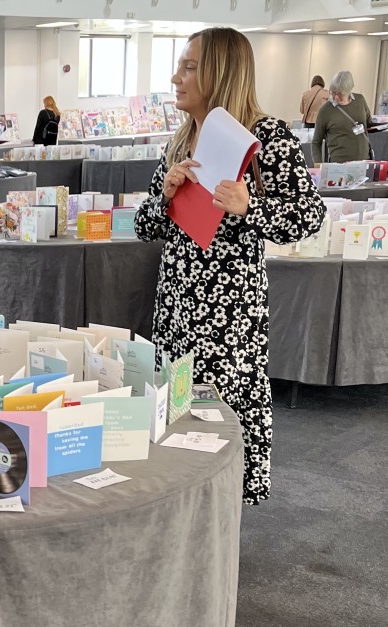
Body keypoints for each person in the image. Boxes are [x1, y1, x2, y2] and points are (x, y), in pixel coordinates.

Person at [134, 28, 325, 505]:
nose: (176, 77)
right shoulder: (182, 139)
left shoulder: (266, 137)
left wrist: (251, 205)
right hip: (176, 307)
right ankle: (181, 514)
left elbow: (309, 216)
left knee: (221, 421)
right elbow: (143, 224)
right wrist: (166, 197)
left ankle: (219, 528)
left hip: (228, 319)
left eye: (190, 67)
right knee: (174, 417)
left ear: (221, 72)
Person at [312, 70, 374, 164]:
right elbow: (316, 142)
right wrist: (318, 165)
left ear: (349, 91)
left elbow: (369, 124)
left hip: (364, 161)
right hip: (339, 165)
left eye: (340, 94)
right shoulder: (325, 110)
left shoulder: (360, 101)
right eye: (333, 93)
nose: (336, 97)